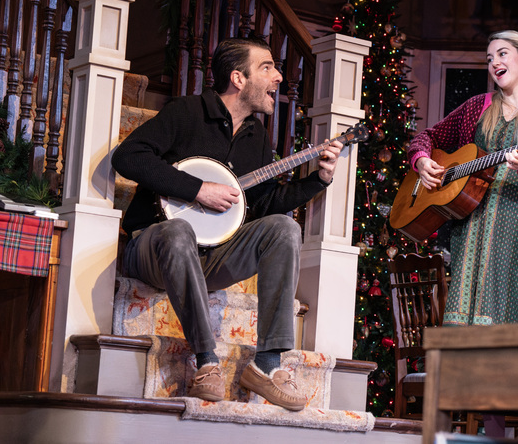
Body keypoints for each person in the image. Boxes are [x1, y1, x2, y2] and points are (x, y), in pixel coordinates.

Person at [111, 37, 344, 411]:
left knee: (283, 229)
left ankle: (266, 364)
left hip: (213, 257)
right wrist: (196, 188)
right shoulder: (185, 113)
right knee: (178, 231)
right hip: (154, 248)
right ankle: (206, 359)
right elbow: (129, 157)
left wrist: (319, 180)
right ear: (238, 77)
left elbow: (264, 203)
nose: (279, 76)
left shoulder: (256, 137)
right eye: (267, 67)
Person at [407, 30, 518, 442]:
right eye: (489, 57)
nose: (494, 62)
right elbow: (425, 136)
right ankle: (491, 439)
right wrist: (422, 159)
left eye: (502, 53)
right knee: (480, 353)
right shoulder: (475, 108)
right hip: (473, 234)